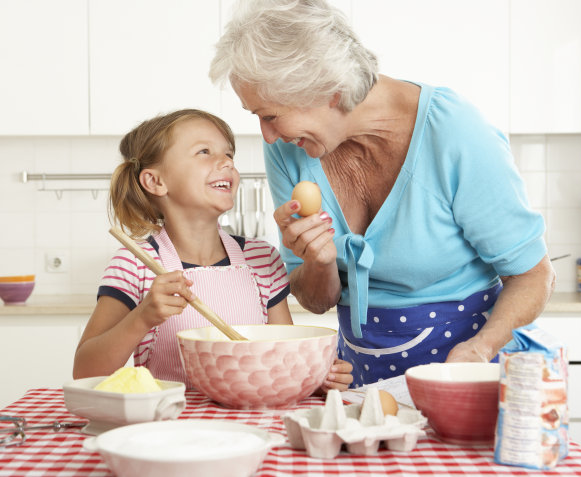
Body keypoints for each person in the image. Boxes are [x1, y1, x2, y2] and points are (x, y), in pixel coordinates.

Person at [209, 0, 556, 387]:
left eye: (270, 115)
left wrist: (478, 350)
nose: (267, 135)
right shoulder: (290, 149)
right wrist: (320, 260)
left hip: (468, 374)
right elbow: (316, 301)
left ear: (330, 90)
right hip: (363, 378)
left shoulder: (455, 133)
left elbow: (533, 276)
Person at [73, 108, 353, 392]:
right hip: (170, 426)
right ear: (156, 181)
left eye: (229, 154)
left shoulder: (262, 259)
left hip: (253, 424)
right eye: (204, 152)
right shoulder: (134, 265)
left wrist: (318, 377)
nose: (227, 163)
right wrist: (143, 316)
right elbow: (85, 372)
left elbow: (288, 359)